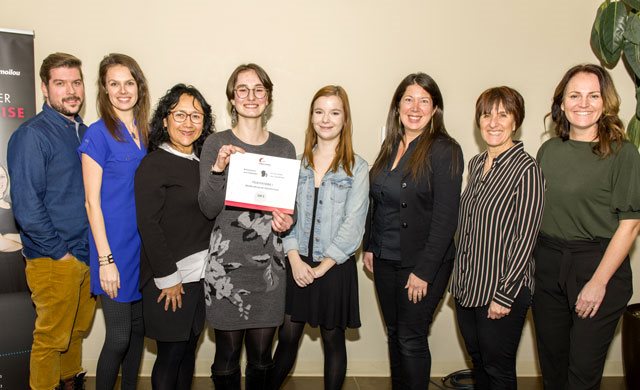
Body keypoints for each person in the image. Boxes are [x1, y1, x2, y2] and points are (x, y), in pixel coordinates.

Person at [533, 64, 640, 389]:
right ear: (561, 103)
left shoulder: (623, 153)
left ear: (605, 102)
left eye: (593, 95)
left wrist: (598, 282)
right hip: (548, 265)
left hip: (598, 266)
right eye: (575, 95)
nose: (584, 103)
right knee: (553, 370)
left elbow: (631, 225)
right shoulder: (548, 150)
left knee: (581, 376)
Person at [362, 72, 463, 390]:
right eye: (408, 99)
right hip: (385, 258)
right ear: (397, 106)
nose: (415, 107)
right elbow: (375, 198)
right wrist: (369, 245)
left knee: (411, 338)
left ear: (435, 109)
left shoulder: (445, 149)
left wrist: (423, 272)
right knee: (394, 334)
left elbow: (447, 219)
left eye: (424, 100)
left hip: (422, 264)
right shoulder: (390, 145)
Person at [199, 63, 296, 389]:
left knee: (261, 358)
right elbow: (208, 208)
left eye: (258, 89)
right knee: (226, 356)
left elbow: (287, 211)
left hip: (268, 269)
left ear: (267, 98)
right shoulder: (215, 144)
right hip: (225, 269)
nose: (251, 96)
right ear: (232, 98)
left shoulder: (284, 148)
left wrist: (286, 221)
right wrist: (218, 168)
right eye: (243, 89)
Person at [7, 52, 96, 390]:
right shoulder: (32, 135)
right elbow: (27, 208)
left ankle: (69, 384)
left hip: (86, 255)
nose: (71, 90)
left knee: (74, 334)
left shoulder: (84, 132)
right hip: (54, 258)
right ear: (45, 88)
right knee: (50, 340)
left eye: (76, 82)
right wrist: (62, 254)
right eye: (60, 83)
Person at [272, 86, 369, 389]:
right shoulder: (296, 165)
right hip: (296, 264)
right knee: (286, 339)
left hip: (335, 268)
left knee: (333, 341)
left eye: (334, 112)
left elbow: (354, 225)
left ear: (345, 119)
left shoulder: (358, 167)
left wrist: (322, 266)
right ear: (311, 117)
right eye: (319, 111)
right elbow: (284, 218)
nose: (326, 119)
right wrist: (295, 261)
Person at [450, 87, 545, 389]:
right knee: (479, 366)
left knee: (498, 369)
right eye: (486, 114)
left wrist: (504, 295)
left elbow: (525, 238)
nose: (493, 122)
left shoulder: (527, 169)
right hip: (468, 285)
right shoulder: (477, 164)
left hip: (502, 289)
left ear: (515, 122)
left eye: (503, 114)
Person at [135, 84, 215, 390]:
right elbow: (148, 224)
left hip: (201, 277)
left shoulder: (204, 166)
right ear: (165, 120)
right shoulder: (154, 164)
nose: (188, 122)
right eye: (179, 114)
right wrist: (169, 277)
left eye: (196, 115)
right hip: (169, 280)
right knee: (170, 356)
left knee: (188, 354)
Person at [79, 53, 150, 389]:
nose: (123, 90)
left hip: (143, 248)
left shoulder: (147, 132)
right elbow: (92, 203)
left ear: (139, 86)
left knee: (137, 334)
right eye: (114, 84)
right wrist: (105, 260)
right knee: (119, 337)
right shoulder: (97, 134)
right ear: (105, 90)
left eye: (129, 82)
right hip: (113, 250)